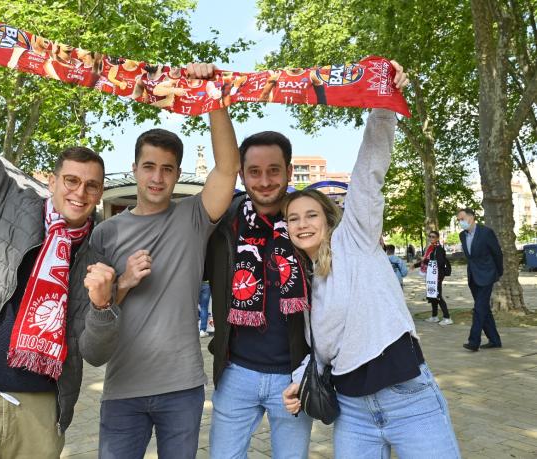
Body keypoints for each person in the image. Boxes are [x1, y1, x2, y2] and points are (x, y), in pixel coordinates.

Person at [0, 4, 119, 458]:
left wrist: (104, 305)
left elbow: (94, 352)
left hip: (38, 413)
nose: (79, 192)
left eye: (91, 185)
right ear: (51, 182)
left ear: (99, 194)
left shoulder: (96, 253)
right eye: (70, 180)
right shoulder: (4, 201)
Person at [281, 62, 461, 458]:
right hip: (353, 415)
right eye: (293, 219)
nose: (302, 223)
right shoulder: (305, 280)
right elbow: (323, 353)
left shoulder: (355, 239)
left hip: (409, 401)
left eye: (311, 214)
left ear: (328, 221)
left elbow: (369, 170)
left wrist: (383, 103)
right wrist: (299, 382)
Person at [89, 62, 240, 459]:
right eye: (150, 167)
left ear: (176, 176)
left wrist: (213, 94)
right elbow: (96, 317)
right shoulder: (105, 233)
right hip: (123, 389)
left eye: (167, 170)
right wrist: (121, 284)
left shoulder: (193, 217)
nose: (157, 178)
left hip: (182, 389)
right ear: (136, 169)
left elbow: (228, 168)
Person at [204, 129, 313, 458]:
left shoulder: (309, 222)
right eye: (254, 172)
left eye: (274, 170)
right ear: (241, 174)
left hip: (293, 378)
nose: (264, 181)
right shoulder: (223, 221)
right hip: (236, 373)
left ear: (289, 172)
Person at [457, 207, 503, 351]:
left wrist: (498, 273)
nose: (460, 222)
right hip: (473, 277)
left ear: (471, 218)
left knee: (478, 308)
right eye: (458, 220)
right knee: (483, 309)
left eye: (462, 219)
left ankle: (473, 341)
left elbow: (497, 254)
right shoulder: (462, 236)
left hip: (487, 275)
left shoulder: (486, 233)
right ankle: (495, 340)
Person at [416, 231, 452, 325]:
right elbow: (426, 261)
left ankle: (447, 318)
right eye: (430, 236)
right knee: (433, 296)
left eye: (433, 237)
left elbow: (438, 263)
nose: (431, 238)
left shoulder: (439, 249)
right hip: (431, 276)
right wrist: (415, 265)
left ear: (437, 238)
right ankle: (434, 316)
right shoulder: (431, 248)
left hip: (437, 276)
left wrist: (426, 260)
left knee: (438, 296)